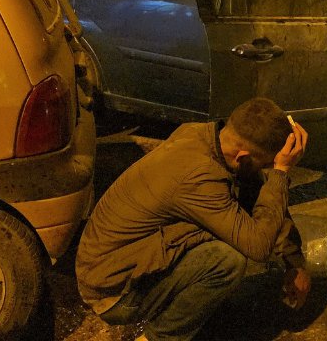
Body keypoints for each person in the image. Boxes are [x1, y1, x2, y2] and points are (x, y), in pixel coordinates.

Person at [76, 98, 311, 341]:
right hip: (112, 292)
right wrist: (280, 174)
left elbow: (256, 189)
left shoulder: (202, 135)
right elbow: (259, 245)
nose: (267, 170)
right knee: (227, 261)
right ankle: (157, 338)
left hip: (116, 260)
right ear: (242, 156)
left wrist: (294, 263)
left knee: (237, 217)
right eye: (265, 165)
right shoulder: (200, 178)